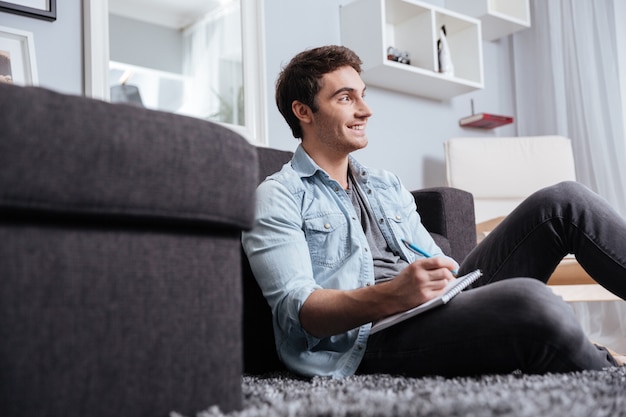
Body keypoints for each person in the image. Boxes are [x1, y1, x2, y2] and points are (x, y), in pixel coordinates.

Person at [241, 45, 626, 379]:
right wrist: (394, 294)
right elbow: (299, 310)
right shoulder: (278, 196)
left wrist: (445, 284)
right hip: (367, 339)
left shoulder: (385, 184)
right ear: (303, 111)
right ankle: (606, 369)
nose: (366, 109)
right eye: (345, 98)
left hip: (433, 307)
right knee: (531, 301)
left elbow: (438, 263)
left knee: (563, 200)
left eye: (363, 95)